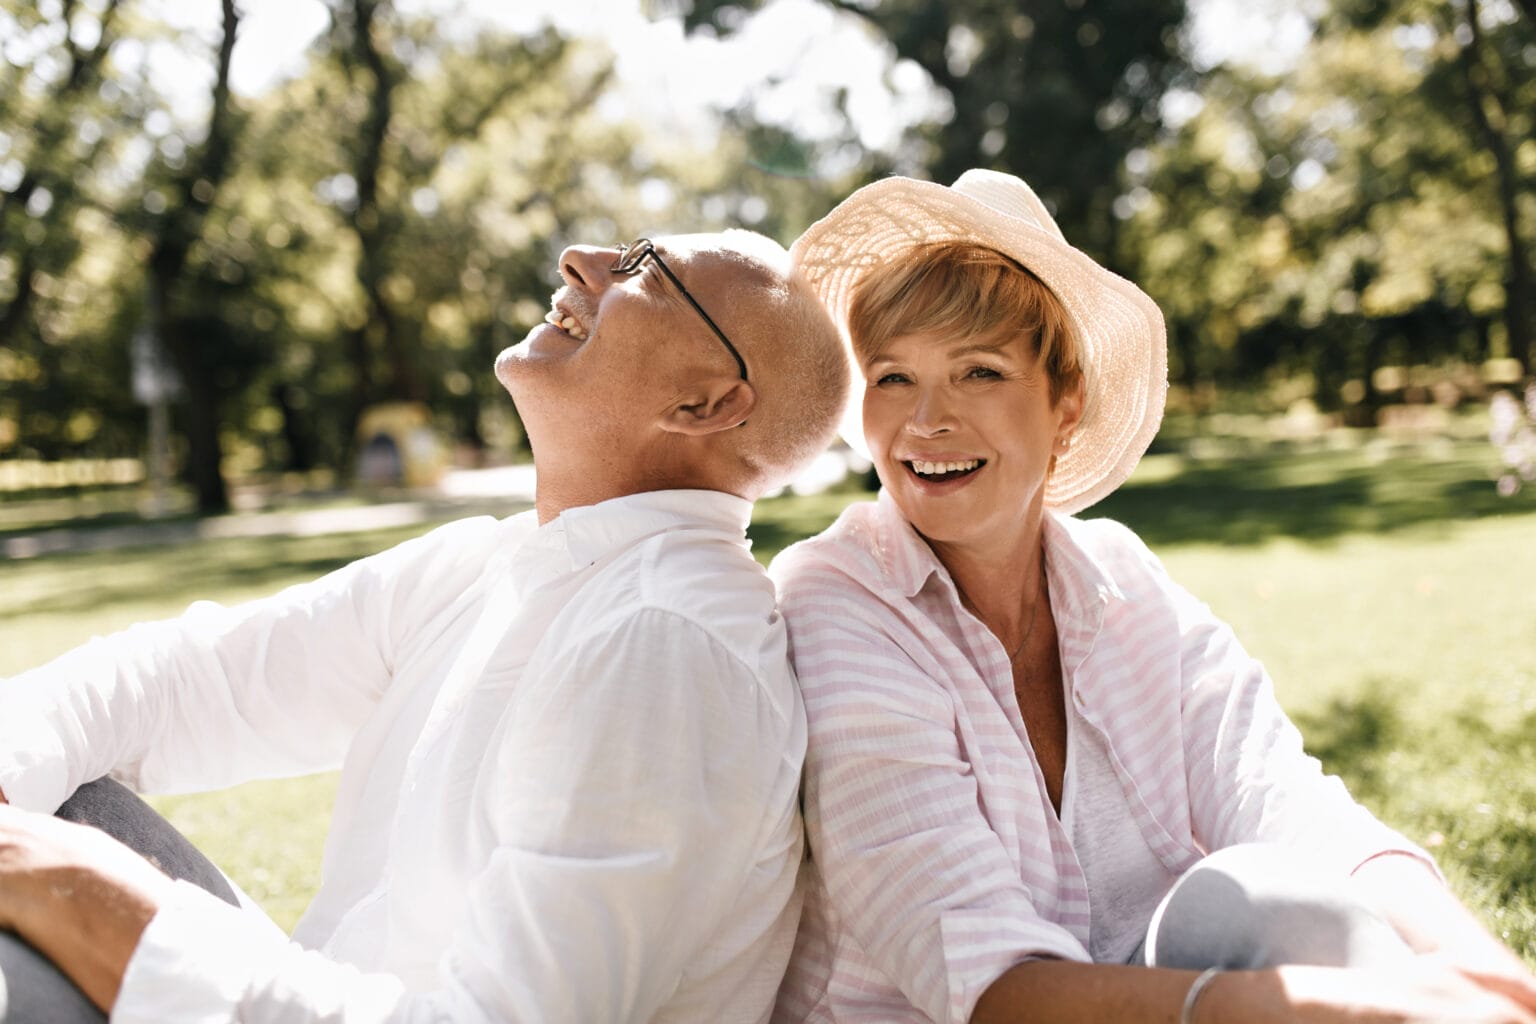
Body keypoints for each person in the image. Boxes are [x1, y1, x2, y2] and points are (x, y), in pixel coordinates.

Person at [0, 229, 850, 1023]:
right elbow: (189, 680)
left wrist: (114, 914)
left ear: (706, 403)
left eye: (644, 268)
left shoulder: (671, 646)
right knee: (54, 778)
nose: (578, 259)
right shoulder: (494, 564)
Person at [769, 170, 1536, 1024]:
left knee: (1274, 897)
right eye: (893, 378)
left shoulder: (1121, 580)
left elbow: (1283, 797)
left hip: (1145, 992)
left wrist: (1478, 969)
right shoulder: (835, 599)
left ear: (1066, 404)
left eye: (979, 372)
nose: (925, 421)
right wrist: (1352, 1007)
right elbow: (989, 984)